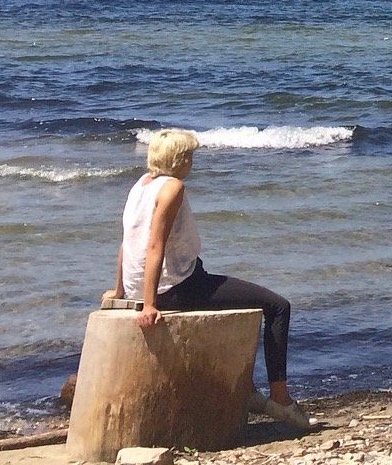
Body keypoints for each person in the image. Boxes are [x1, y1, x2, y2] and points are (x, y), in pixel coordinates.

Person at [107, 129, 310, 430]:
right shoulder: (173, 187)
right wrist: (149, 303)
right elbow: (154, 245)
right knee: (278, 306)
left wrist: (120, 288)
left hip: (155, 283)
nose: (192, 162)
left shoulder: (140, 185)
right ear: (180, 159)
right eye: (190, 156)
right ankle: (280, 397)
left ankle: (248, 389)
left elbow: (127, 241)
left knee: (236, 298)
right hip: (177, 286)